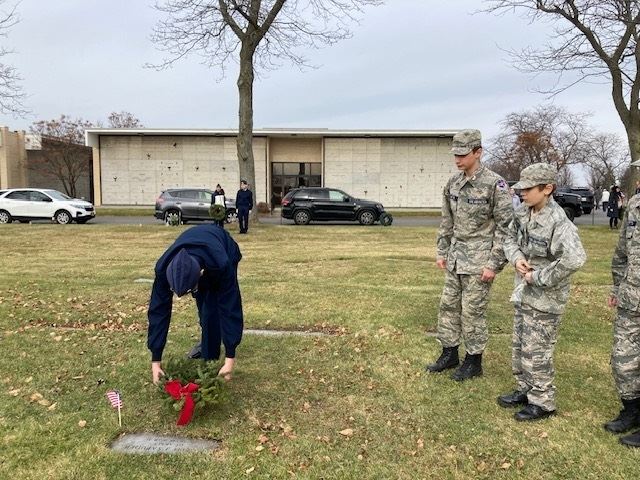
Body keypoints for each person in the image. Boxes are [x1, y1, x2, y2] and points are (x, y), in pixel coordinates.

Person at [499, 163, 586, 421]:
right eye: (520, 189)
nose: (521, 193)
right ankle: (525, 389)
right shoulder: (523, 212)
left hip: (546, 298)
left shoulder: (559, 221)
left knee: (538, 349)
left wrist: (537, 276)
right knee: (521, 344)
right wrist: (516, 259)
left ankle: (543, 401)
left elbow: (575, 259)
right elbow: (509, 239)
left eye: (527, 189)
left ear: (547, 188)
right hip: (524, 292)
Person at [426, 129, 514, 381]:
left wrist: (494, 264)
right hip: (455, 258)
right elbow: (447, 222)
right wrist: (442, 251)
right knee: (448, 306)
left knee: (472, 312)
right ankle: (449, 352)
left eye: (463, 154)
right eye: (455, 154)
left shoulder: (494, 185)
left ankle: (474, 361)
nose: (457, 159)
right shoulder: (453, 183)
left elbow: (506, 228)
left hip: (480, 261)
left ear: (478, 152)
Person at [147, 224, 243, 384]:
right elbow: (158, 311)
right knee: (204, 307)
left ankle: (211, 360)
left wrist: (230, 359)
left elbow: (230, 307)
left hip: (225, 247)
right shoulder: (163, 269)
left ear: (200, 273)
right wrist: (155, 361)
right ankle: (208, 345)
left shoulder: (221, 264)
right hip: (198, 247)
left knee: (212, 309)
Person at [606, 164, 640, 447]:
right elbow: (621, 252)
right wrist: (617, 286)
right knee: (623, 358)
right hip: (631, 296)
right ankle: (632, 410)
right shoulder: (636, 203)